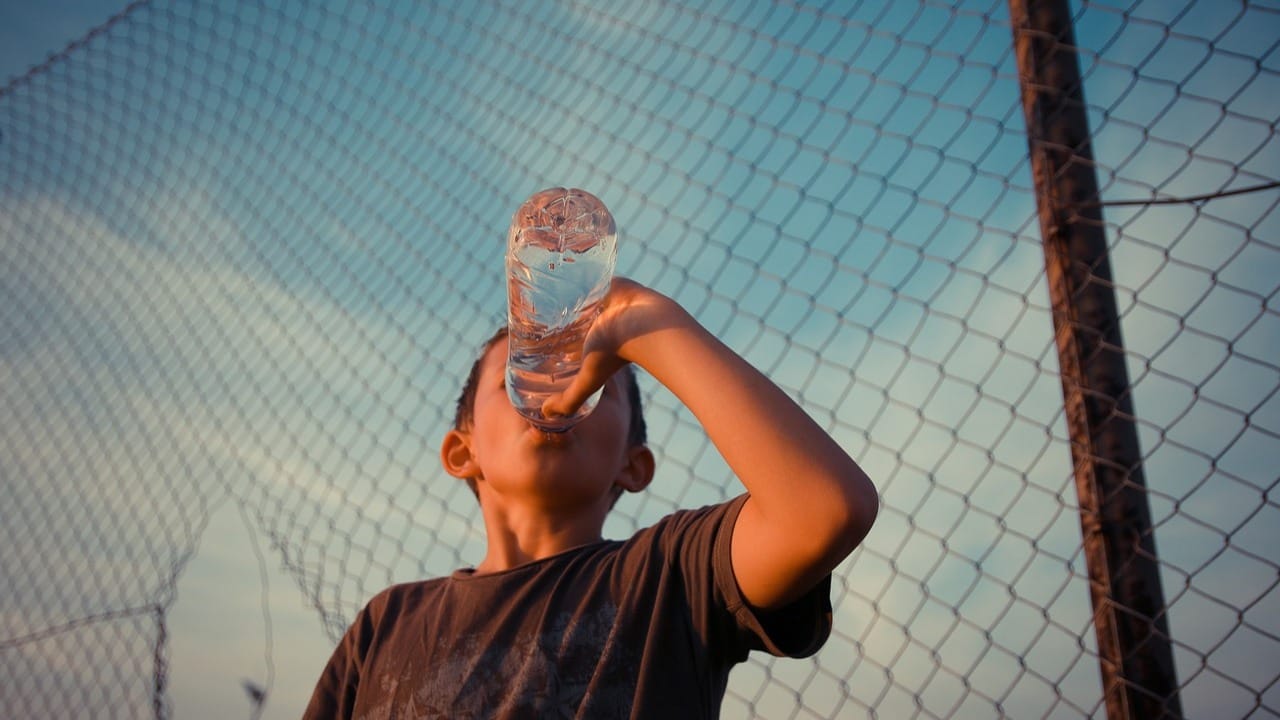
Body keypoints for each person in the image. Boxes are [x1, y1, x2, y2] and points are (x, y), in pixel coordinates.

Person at [302, 277, 879, 719]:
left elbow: (826, 509)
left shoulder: (671, 576)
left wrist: (645, 324)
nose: (555, 388)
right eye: (523, 370)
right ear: (462, 451)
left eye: (590, 376)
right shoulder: (385, 625)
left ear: (634, 464)